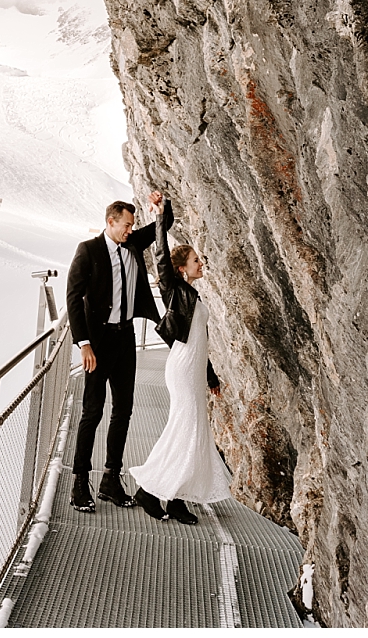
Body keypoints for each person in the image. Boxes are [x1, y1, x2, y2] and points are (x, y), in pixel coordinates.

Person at [66, 191, 168, 513]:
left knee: (123, 411)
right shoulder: (89, 250)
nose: (130, 230)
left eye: (132, 225)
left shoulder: (133, 243)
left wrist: (160, 207)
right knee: (92, 412)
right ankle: (80, 482)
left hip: (125, 341)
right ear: (110, 222)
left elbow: (165, 223)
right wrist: (84, 344)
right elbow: (72, 297)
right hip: (97, 344)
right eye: (125, 225)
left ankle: (111, 479)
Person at [129, 218, 231, 524]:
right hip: (183, 369)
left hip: (194, 369)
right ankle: (158, 492)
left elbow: (202, 341)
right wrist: (159, 217)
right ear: (182, 268)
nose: (202, 263)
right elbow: (161, 257)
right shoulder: (175, 290)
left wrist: (211, 377)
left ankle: (173, 496)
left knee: (191, 432)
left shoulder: (193, 295)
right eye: (196, 259)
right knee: (184, 431)